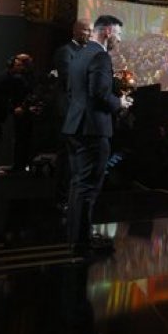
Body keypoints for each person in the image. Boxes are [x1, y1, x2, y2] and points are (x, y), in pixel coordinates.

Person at [61, 15, 132, 253]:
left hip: (75, 127)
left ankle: (75, 238)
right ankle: (81, 243)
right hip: (93, 130)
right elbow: (100, 94)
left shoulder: (79, 54)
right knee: (88, 188)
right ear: (108, 32)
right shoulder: (100, 56)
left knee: (78, 185)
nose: (119, 40)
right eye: (118, 35)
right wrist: (120, 103)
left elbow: (72, 92)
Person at [50, 20, 92, 207]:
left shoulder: (87, 53)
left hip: (81, 111)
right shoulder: (65, 52)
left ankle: (74, 198)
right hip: (68, 111)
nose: (89, 34)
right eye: (86, 30)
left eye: (91, 31)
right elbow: (70, 79)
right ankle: (62, 198)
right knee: (68, 156)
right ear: (75, 31)